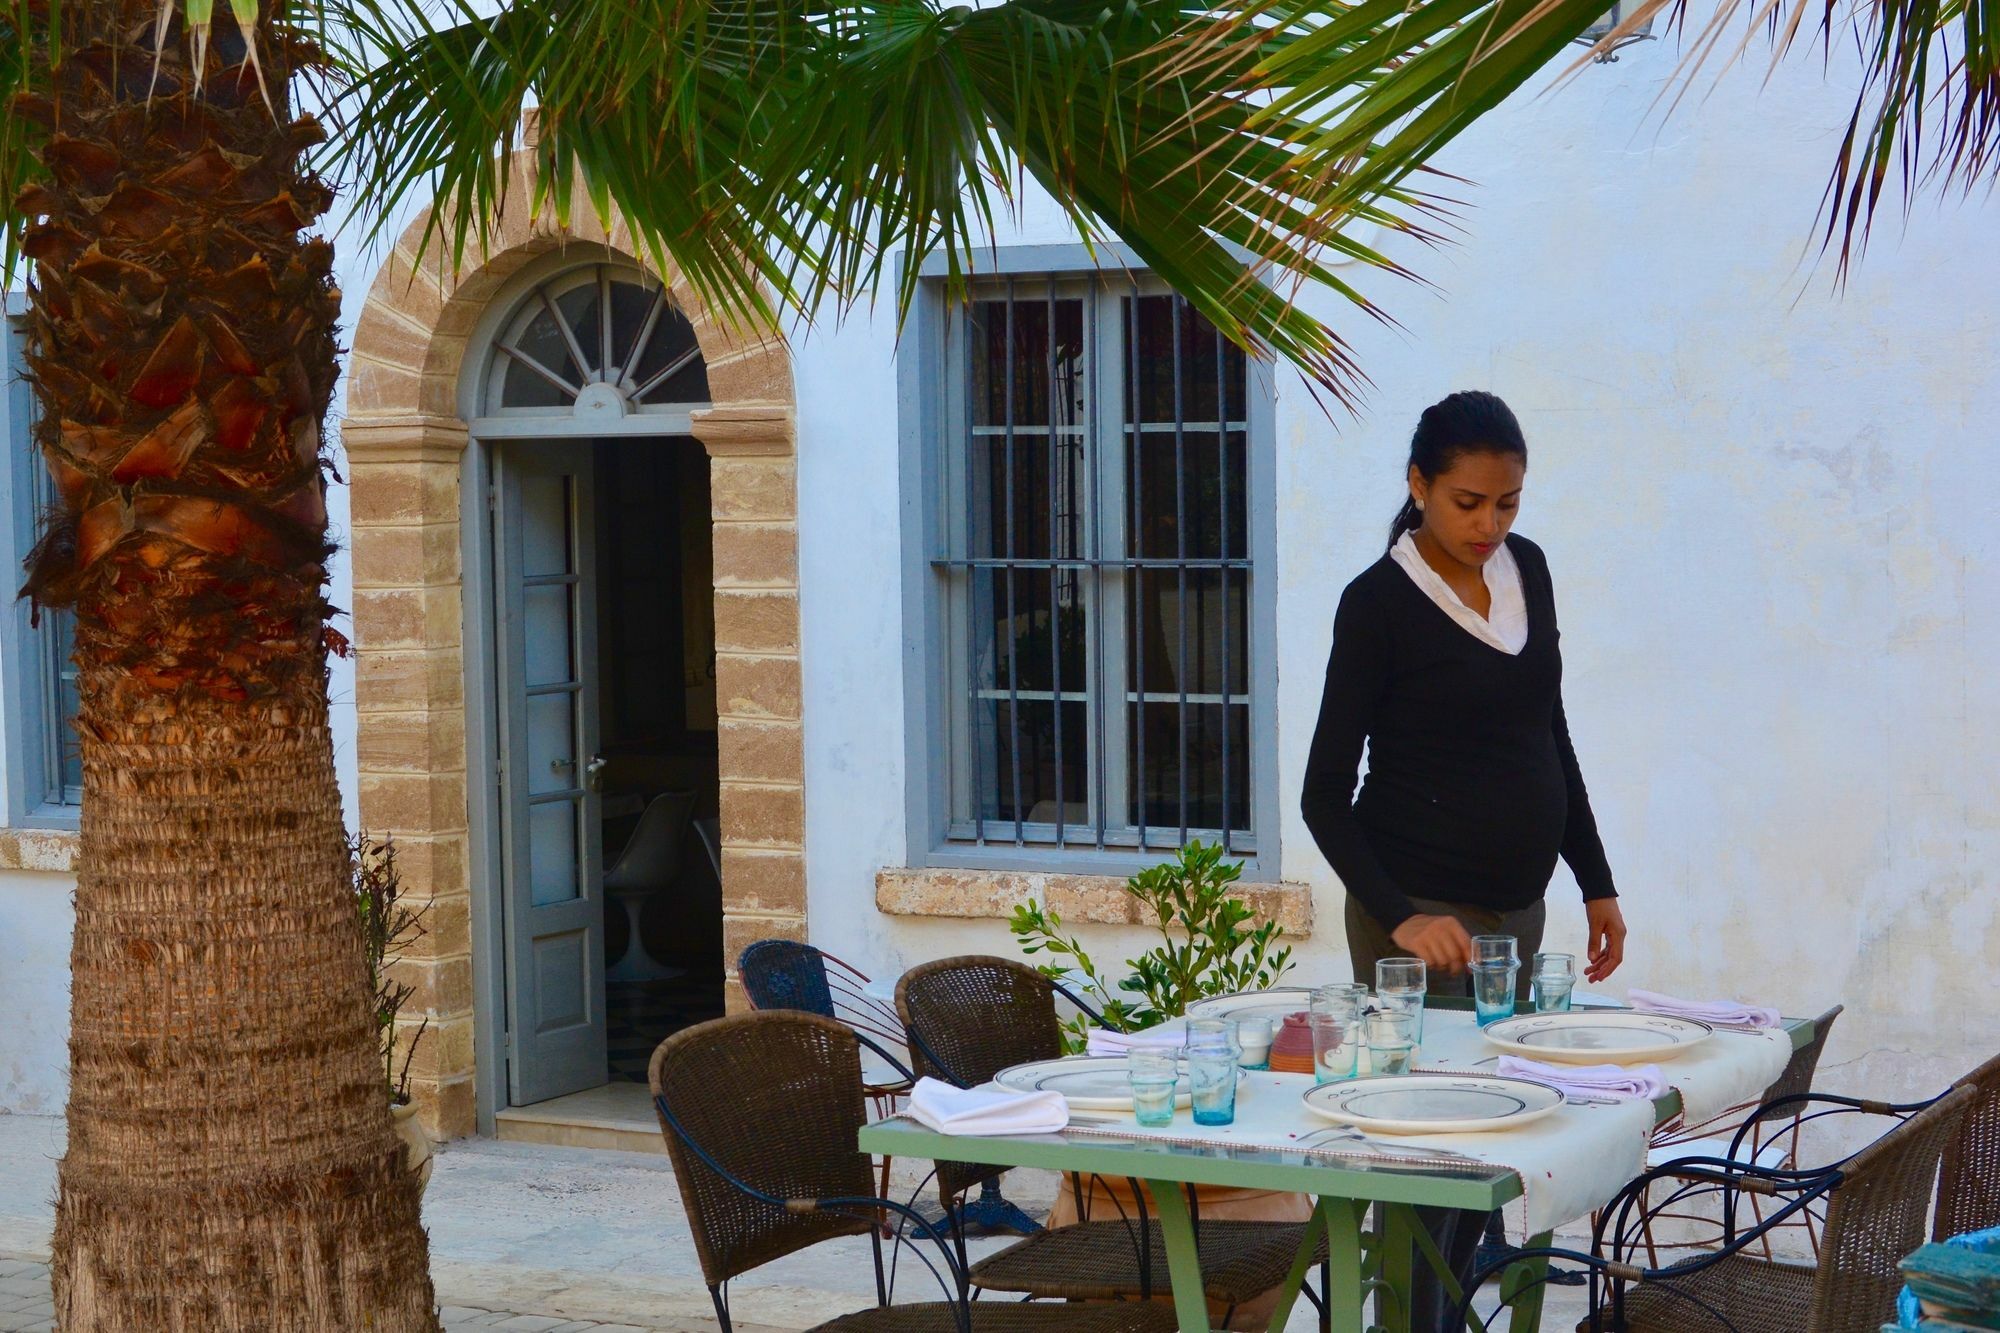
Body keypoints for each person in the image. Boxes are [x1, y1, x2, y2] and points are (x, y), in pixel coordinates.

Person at [1300, 389, 1628, 1327]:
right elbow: (1324, 793)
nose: (1490, 523)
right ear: (1418, 485)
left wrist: (1594, 877)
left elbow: (1548, 734)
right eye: (1467, 502)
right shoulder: (1376, 606)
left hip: (1513, 917)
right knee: (1429, 1167)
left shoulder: (1530, 572)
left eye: (1508, 502)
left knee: (1491, 1161)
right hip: (1421, 922)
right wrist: (1400, 912)